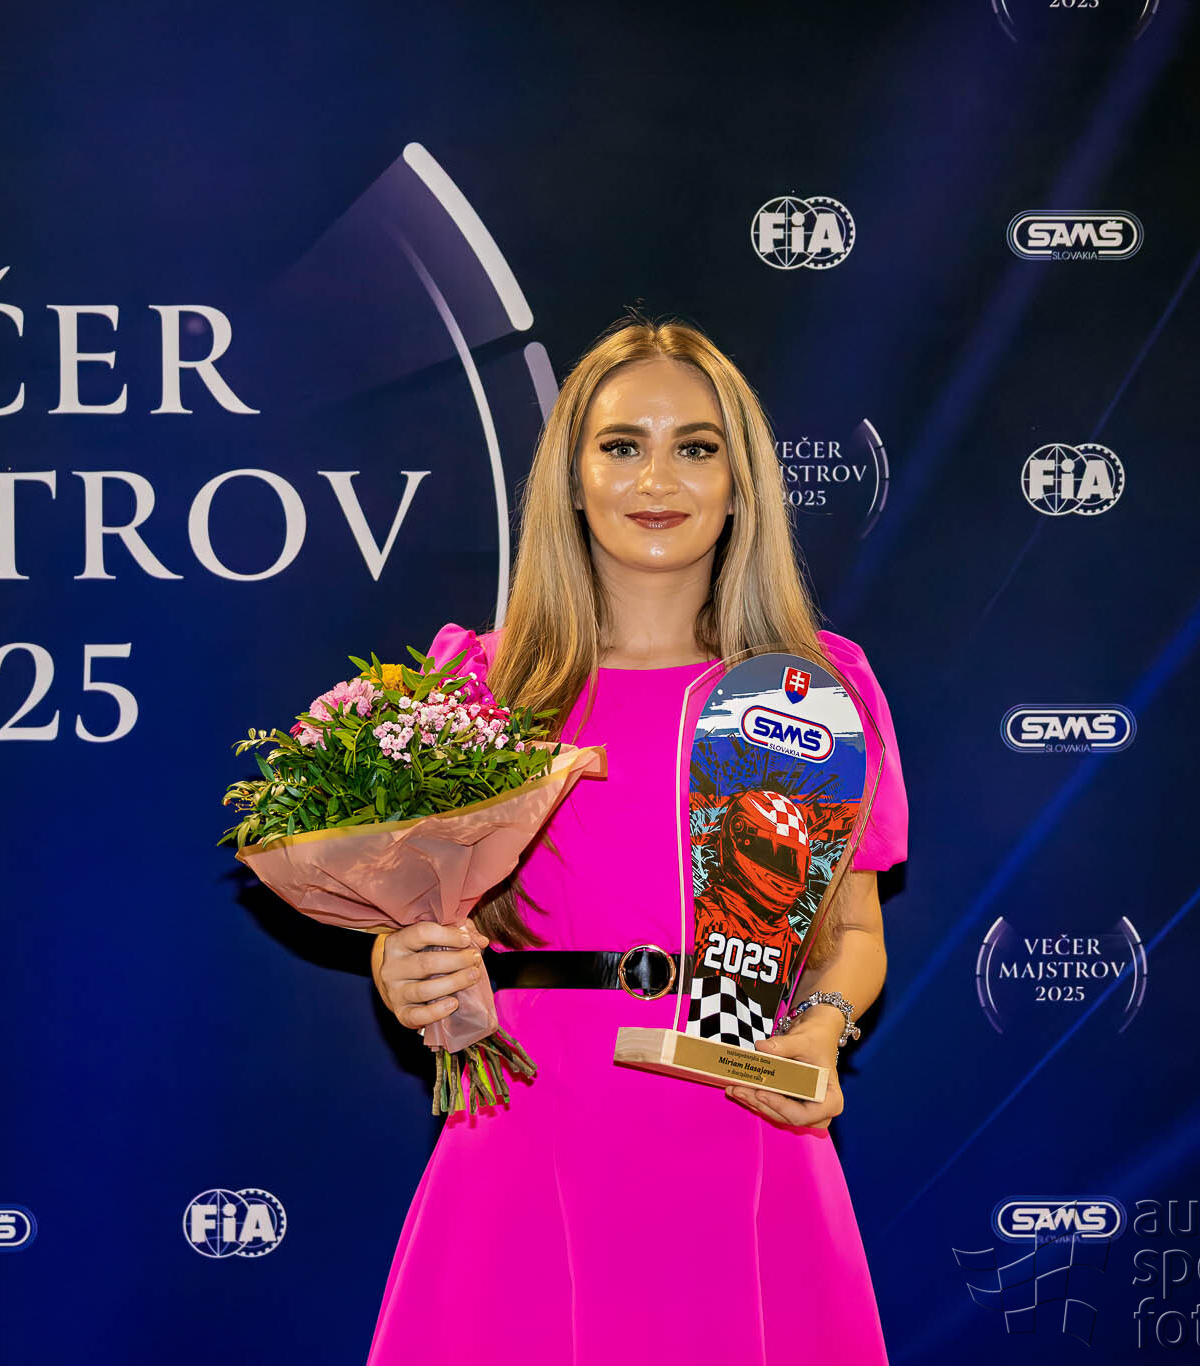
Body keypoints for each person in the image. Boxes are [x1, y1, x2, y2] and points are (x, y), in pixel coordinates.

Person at [365, 313, 908, 1365]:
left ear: (739, 483)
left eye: (694, 447)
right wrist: (403, 967)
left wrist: (820, 1029)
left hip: (742, 1110)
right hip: (525, 1117)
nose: (656, 478)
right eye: (621, 445)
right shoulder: (478, 685)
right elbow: (414, 924)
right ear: (571, 481)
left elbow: (852, 935)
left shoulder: (810, 688)